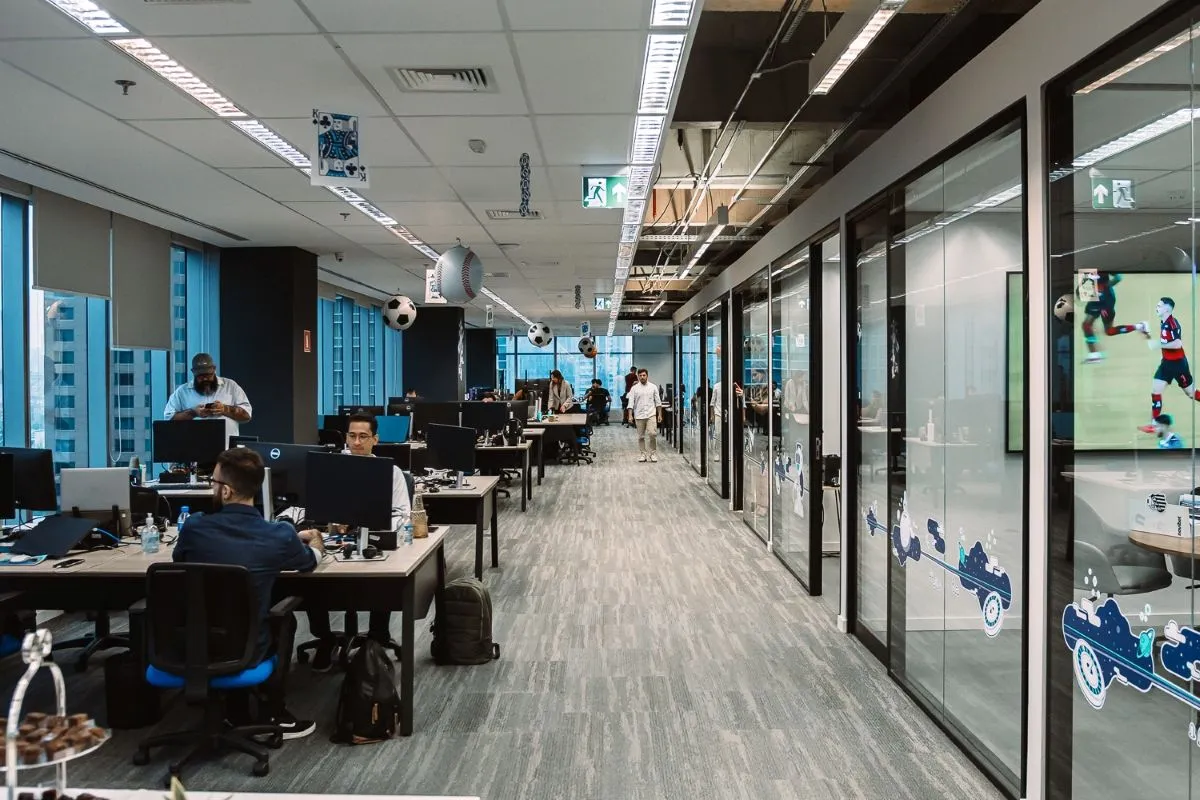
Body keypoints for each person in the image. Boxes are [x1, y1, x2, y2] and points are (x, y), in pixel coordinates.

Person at [172, 447, 322, 738]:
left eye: (213, 482)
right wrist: (314, 541)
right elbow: (309, 562)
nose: (212, 488)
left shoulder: (194, 528)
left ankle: (235, 709)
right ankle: (273, 712)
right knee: (284, 618)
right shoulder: (278, 535)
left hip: (188, 645)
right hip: (247, 649)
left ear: (226, 491)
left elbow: (180, 560)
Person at [300, 413, 412, 671]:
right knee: (310, 574)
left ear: (375, 439)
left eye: (363, 436)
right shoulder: (330, 467)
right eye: (352, 436)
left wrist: (369, 523)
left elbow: (402, 514)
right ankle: (325, 638)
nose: (357, 442)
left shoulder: (391, 472)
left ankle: (377, 638)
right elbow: (309, 506)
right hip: (333, 539)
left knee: (386, 574)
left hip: (374, 541)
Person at [1138, 297, 1200, 439]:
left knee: (1191, 393)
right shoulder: (1164, 322)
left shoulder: (1171, 324)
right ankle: (1154, 424)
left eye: (1159, 306)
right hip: (1167, 364)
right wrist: (1147, 335)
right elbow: (1164, 343)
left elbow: (1177, 344)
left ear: (1167, 309)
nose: (1156, 308)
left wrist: (1158, 345)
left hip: (1179, 366)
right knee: (1155, 391)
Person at [164, 353, 252, 436]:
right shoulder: (182, 392)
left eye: (208, 375)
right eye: (201, 376)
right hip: (192, 446)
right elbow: (169, 419)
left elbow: (247, 415)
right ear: (193, 372)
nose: (205, 379)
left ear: (214, 369)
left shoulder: (230, 386)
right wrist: (193, 412)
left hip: (227, 446)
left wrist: (225, 409)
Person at [1079, 271, 1148, 364]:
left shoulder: (1105, 269)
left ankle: (1139, 326)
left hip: (1106, 303)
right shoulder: (1089, 270)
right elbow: (1083, 283)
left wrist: (1107, 285)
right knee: (1086, 325)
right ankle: (1094, 355)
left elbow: (1118, 277)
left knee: (1109, 331)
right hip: (1095, 300)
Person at [625, 368, 663, 462]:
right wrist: (630, 415)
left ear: (647, 376)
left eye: (644, 375)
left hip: (651, 414)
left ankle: (653, 454)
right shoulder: (634, 388)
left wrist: (660, 415)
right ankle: (643, 454)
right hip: (639, 415)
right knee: (641, 436)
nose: (642, 377)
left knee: (653, 434)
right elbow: (630, 403)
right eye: (640, 375)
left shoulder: (653, 387)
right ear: (638, 377)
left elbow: (658, 402)